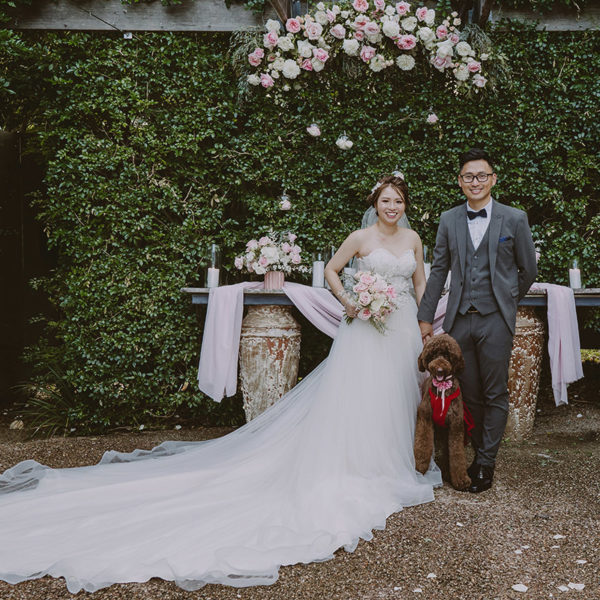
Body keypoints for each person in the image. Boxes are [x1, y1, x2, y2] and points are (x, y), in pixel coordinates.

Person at [0, 174, 440, 594]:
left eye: (398, 201)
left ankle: (399, 458)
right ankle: (361, 463)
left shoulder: (414, 239)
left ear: (404, 205)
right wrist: (350, 301)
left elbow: (420, 283)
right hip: (364, 329)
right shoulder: (360, 237)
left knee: (397, 392)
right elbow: (331, 270)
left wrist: (425, 327)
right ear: (375, 203)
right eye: (386, 200)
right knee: (360, 395)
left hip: (401, 326)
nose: (392, 207)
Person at [417, 148, 538, 493]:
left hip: (495, 320)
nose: (475, 181)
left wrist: (507, 300)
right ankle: (472, 455)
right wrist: (426, 317)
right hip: (458, 321)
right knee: (467, 393)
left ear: (493, 179)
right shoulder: (448, 219)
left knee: (495, 391)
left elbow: (528, 269)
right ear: (460, 181)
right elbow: (439, 271)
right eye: (469, 176)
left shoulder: (514, 218)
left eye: (481, 175)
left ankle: (485, 463)